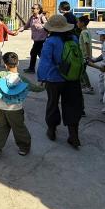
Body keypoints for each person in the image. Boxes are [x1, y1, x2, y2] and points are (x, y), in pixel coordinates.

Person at [0, 52, 44, 159]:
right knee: (19, 128)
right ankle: (24, 148)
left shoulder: (0, 75)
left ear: (5, 64)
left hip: (0, 108)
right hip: (15, 109)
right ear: (18, 63)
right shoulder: (22, 79)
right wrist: (43, 87)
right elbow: (35, 88)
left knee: (0, 128)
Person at [37, 14, 84, 149]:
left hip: (54, 79)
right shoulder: (74, 38)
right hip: (72, 78)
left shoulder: (50, 41)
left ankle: (52, 130)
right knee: (72, 105)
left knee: (53, 103)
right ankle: (73, 135)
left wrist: (41, 77)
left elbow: (45, 61)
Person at [20, 4, 47, 74]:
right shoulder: (32, 17)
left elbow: (47, 25)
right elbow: (26, 26)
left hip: (41, 39)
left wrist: (39, 25)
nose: (32, 9)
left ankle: (32, 69)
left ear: (38, 10)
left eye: (34, 8)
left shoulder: (42, 17)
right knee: (40, 54)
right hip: (36, 39)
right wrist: (19, 30)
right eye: (32, 8)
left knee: (33, 53)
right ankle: (47, 67)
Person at [77, 15, 95, 95]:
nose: (77, 23)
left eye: (78, 22)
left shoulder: (84, 32)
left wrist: (87, 56)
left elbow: (86, 43)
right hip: (84, 55)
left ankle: (88, 87)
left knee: (82, 71)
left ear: (83, 23)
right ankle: (83, 85)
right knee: (81, 71)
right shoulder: (86, 31)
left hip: (84, 56)